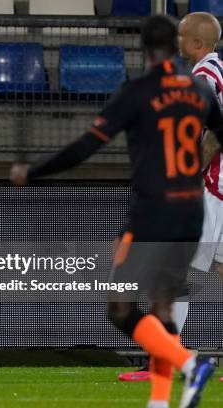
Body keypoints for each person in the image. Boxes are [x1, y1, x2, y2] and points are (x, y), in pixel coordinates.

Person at [9, 15, 220, 408]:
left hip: (152, 211)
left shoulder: (137, 91)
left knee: (119, 307)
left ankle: (189, 363)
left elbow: (87, 146)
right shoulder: (198, 90)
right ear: (173, 46)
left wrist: (33, 171)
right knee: (162, 305)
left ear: (144, 47)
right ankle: (160, 402)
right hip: (191, 209)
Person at [120, 10, 223, 384]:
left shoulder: (204, 77)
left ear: (197, 44)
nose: (176, 42)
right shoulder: (217, 72)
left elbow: (211, 135)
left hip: (209, 188)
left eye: (181, 37)